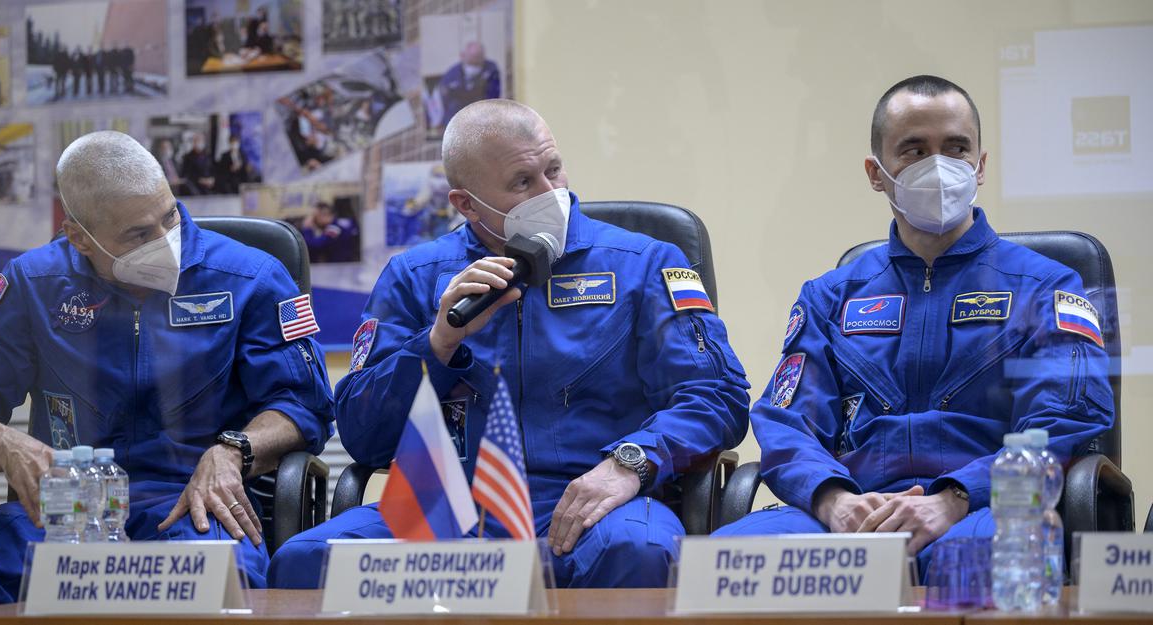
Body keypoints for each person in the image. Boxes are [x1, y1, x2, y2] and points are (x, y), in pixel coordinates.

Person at [268, 99, 751, 589]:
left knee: (638, 551)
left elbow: (717, 397)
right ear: (466, 203)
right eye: (523, 183)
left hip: (590, 499)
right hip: (449, 506)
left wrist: (631, 461)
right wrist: (437, 344)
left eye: (554, 170)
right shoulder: (415, 276)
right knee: (306, 559)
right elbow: (362, 435)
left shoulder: (642, 262)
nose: (551, 192)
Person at [0, 130, 335, 614]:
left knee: (210, 579)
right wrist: (7, 444)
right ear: (79, 237)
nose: (165, 241)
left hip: (190, 503)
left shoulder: (251, 276)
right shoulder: (34, 282)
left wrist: (233, 450)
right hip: (67, 509)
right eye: (137, 234)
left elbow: (304, 405)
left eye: (169, 216)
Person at [711, 75, 1114, 574]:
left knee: (970, 563)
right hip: (855, 507)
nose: (939, 166)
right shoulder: (829, 296)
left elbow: (1061, 423)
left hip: (985, 508)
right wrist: (831, 499)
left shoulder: (1047, 287)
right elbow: (788, 423)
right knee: (728, 562)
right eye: (914, 150)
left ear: (981, 165)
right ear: (876, 172)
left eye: (956, 148)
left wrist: (955, 498)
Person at [437, 42, 501, 131]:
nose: (474, 66)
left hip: (483, 116)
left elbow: (493, 97)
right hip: (458, 119)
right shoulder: (451, 76)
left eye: (477, 63)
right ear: (463, 56)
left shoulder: (491, 69)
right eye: (471, 62)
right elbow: (446, 101)